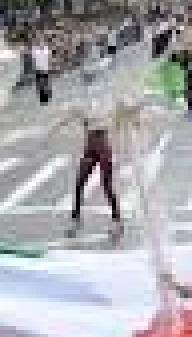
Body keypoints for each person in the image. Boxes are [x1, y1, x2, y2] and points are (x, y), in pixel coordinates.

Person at [51, 59, 125, 243]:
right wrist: (55, 127)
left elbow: (119, 114)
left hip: (103, 145)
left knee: (106, 185)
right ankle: (76, 219)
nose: (88, 84)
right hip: (90, 146)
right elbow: (70, 115)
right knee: (79, 183)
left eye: (90, 79)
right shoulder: (85, 102)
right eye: (87, 80)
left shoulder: (107, 101)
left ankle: (117, 220)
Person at [32, 35, 53, 105]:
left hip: (45, 69)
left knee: (45, 83)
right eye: (40, 42)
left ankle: (47, 96)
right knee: (41, 85)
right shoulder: (35, 50)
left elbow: (49, 58)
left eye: (42, 42)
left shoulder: (46, 49)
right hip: (39, 69)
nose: (41, 43)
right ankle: (43, 99)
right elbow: (34, 59)